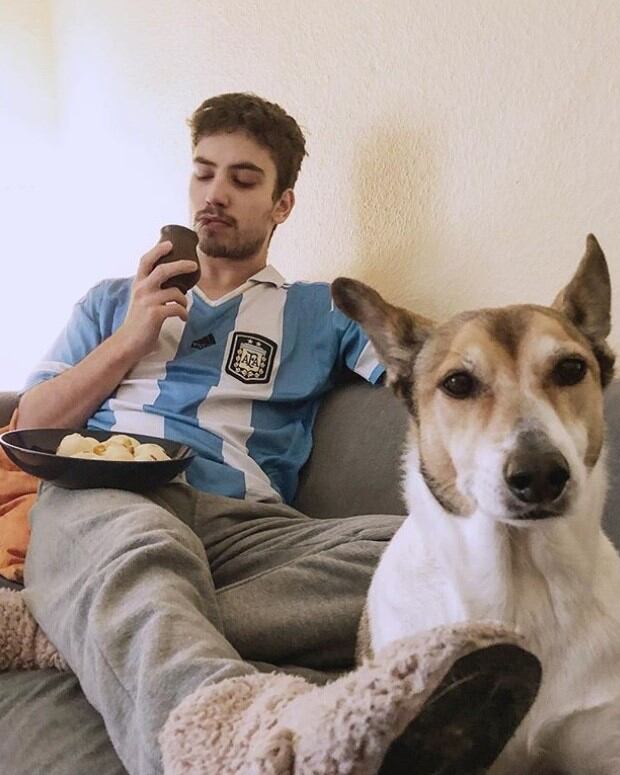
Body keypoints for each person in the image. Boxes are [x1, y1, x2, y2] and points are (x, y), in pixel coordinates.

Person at [3, 93, 535, 775]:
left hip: (248, 528)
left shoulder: (318, 310)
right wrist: (131, 338)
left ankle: (73, 621)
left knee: (434, 549)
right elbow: (32, 426)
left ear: (281, 204)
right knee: (137, 544)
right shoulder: (112, 300)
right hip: (107, 493)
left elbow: (435, 369)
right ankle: (226, 738)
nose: (214, 193)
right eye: (203, 172)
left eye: (243, 179)